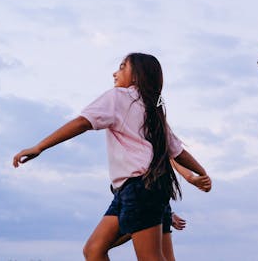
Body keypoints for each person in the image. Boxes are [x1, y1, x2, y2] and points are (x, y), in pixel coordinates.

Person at [13, 53, 212, 261]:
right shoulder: (152, 110)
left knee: (149, 258)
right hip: (132, 190)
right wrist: (202, 173)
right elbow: (178, 152)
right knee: (93, 250)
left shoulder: (119, 98)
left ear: (136, 76)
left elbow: (82, 122)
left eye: (122, 66)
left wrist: (39, 147)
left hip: (141, 187)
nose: (114, 72)